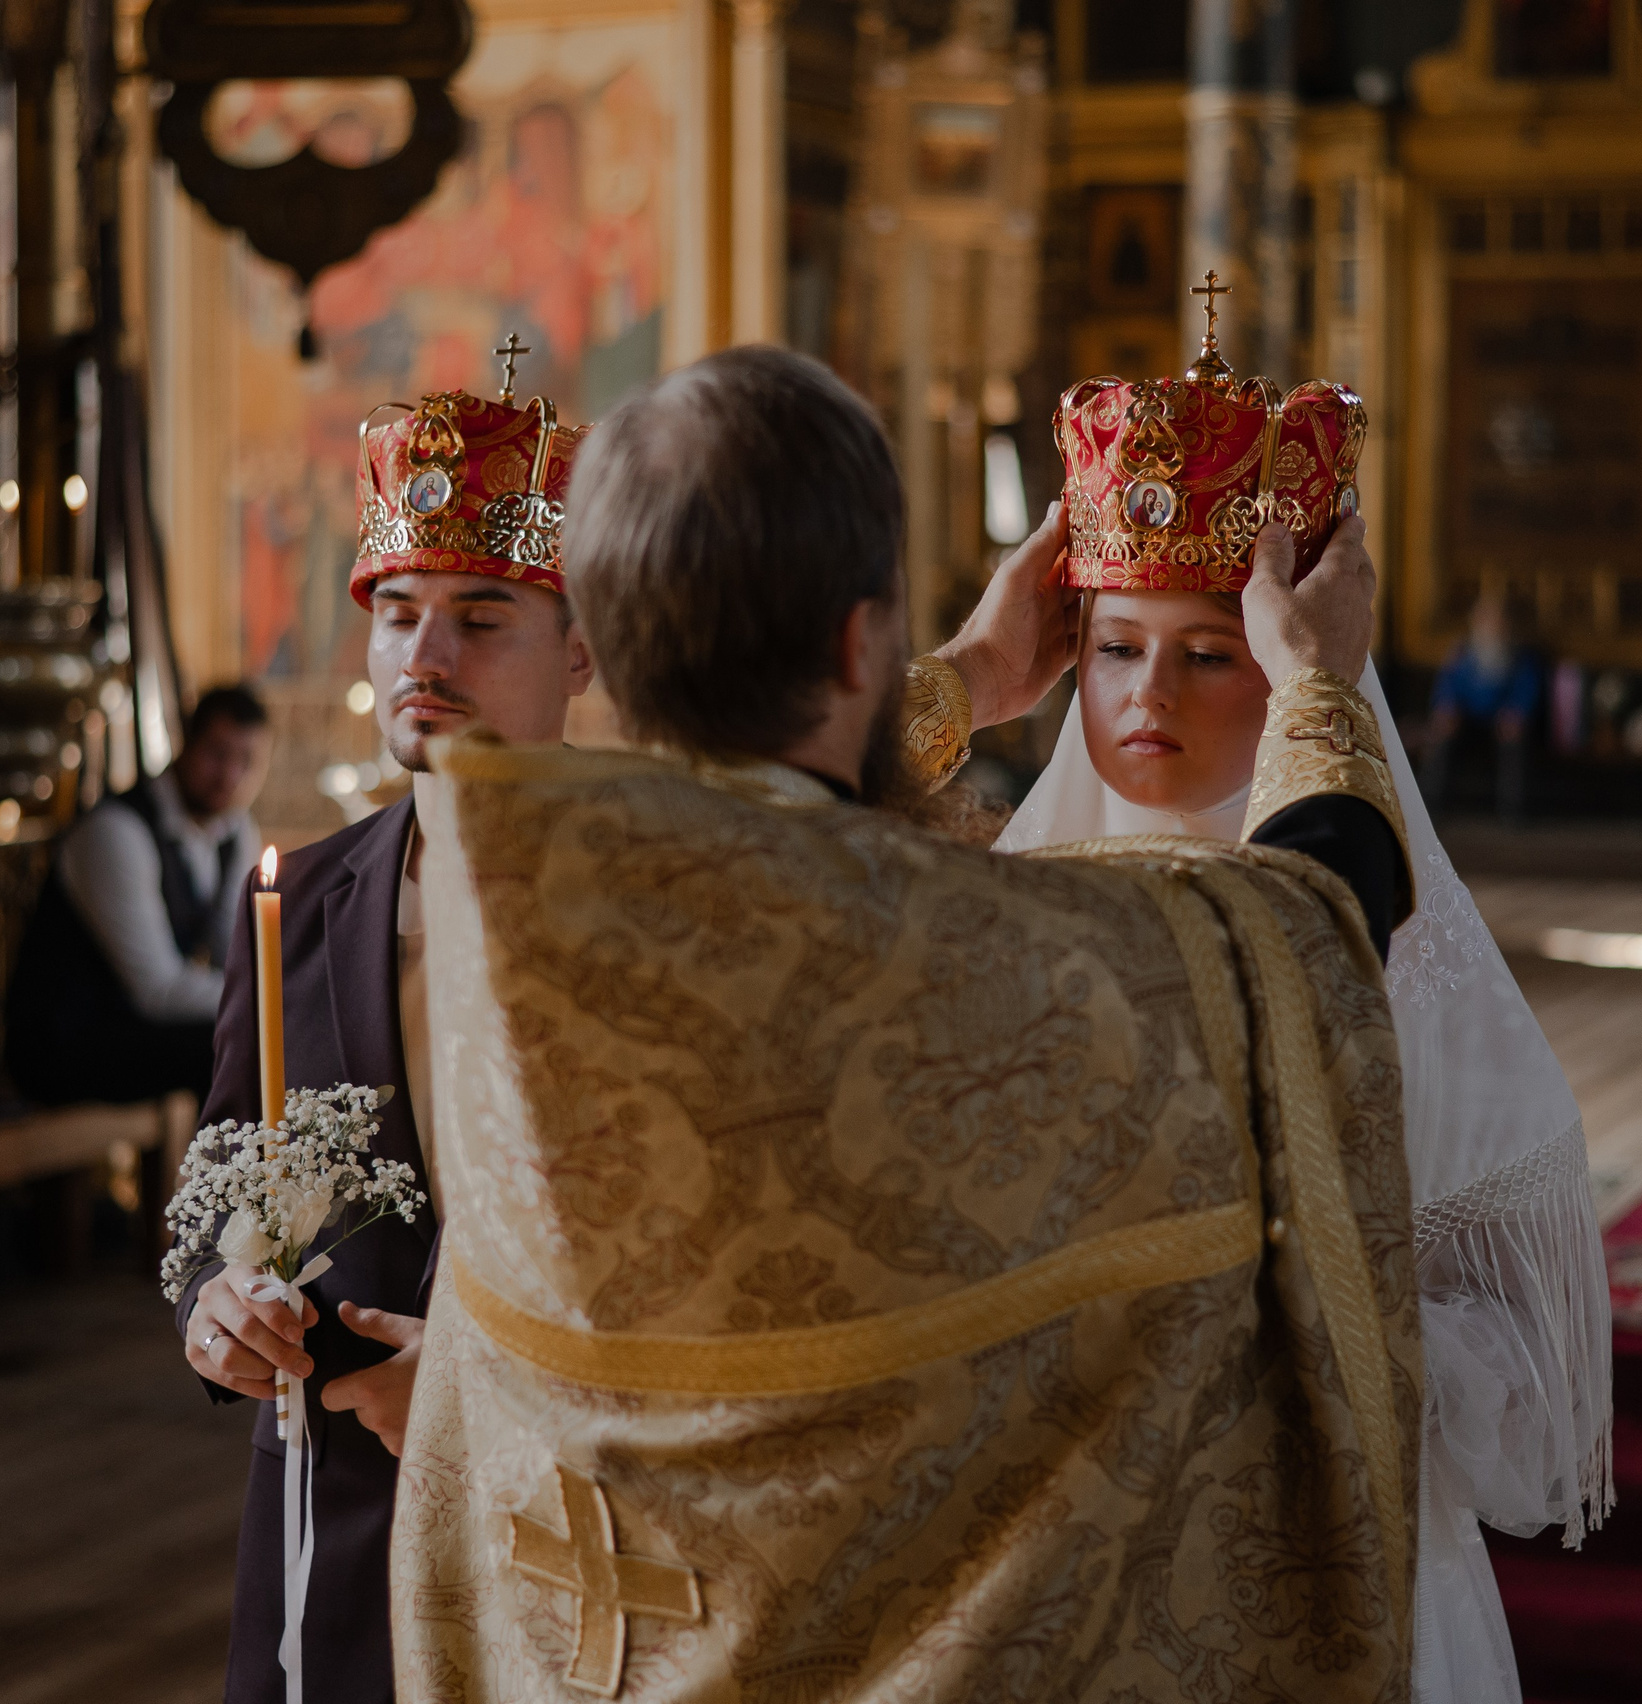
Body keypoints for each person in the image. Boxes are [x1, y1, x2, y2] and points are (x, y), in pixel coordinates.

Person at [391, 348, 1425, 1704]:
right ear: (856, 642)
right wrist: (1317, 687)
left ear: (603, 649)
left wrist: (951, 680)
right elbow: (1310, 936)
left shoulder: (508, 933)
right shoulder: (1014, 967)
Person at [996, 573, 1613, 1704]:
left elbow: (1522, 1366)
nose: (1149, 693)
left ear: (1298, 675)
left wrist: (1312, 1334)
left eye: (1208, 654)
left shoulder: (1407, 960)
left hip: (1320, 1541)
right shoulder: (986, 902)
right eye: (1116, 648)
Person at [170, 383, 594, 1704]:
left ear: (580, 651)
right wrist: (216, 1304)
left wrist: (475, 1400)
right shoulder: (300, 898)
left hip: (569, 1528)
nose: (427, 655)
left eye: (483, 618)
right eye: (399, 613)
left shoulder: (651, 911)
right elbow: (227, 1166)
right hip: (333, 1522)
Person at [5, 683, 270, 1106]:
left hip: (134, 1026)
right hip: (62, 1042)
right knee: (237, 1048)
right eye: (217, 754)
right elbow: (157, 990)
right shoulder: (116, 831)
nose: (229, 776)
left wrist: (277, 990)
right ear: (185, 742)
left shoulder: (236, 831)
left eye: (247, 761)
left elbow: (231, 951)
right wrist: (271, 997)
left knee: (261, 1039)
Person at [1421, 590, 1545, 822]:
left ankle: (1512, 810)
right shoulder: (1461, 653)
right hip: (1466, 718)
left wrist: (1516, 714)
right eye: (1486, 619)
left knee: (1514, 740)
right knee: (1441, 734)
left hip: (1502, 720)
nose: (1492, 626)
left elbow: (1526, 690)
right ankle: (1431, 805)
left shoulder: (1520, 656)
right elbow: (1447, 687)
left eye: (1498, 620)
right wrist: (1447, 710)